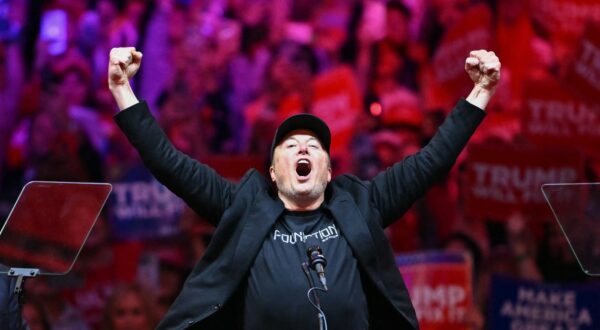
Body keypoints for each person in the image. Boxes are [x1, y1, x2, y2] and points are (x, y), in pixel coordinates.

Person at [108, 46, 500, 329]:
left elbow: (431, 162)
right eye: (290, 145)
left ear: (328, 171)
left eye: (314, 146)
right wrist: (123, 91)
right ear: (273, 173)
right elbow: (169, 163)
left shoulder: (362, 202)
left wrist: (480, 92)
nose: (303, 148)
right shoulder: (242, 204)